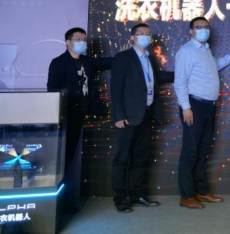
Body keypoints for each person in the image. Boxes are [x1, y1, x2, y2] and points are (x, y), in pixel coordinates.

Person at [174, 16, 230, 209]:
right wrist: (186, 107)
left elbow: (214, 65)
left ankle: (201, 191)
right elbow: (180, 82)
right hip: (193, 106)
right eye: (198, 27)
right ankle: (186, 195)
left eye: (206, 27)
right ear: (191, 31)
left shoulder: (205, 50)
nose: (203, 30)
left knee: (203, 151)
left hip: (208, 106)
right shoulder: (186, 51)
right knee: (190, 152)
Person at [47, 27, 113, 213]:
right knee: (64, 156)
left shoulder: (86, 61)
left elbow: (108, 61)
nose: (82, 42)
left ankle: (68, 199)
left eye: (84, 39)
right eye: (78, 39)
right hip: (66, 115)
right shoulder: (59, 62)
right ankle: (59, 201)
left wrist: (128, 54)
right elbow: (52, 90)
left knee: (72, 157)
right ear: (68, 42)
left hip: (82, 113)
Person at [110, 23, 174, 213]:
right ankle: (121, 199)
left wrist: (184, 73)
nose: (145, 36)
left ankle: (137, 195)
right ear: (132, 38)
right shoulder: (123, 57)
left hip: (146, 114)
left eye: (147, 33)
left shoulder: (150, 59)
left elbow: (157, 77)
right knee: (122, 159)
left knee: (140, 158)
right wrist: (119, 115)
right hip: (127, 117)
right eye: (140, 33)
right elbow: (116, 88)